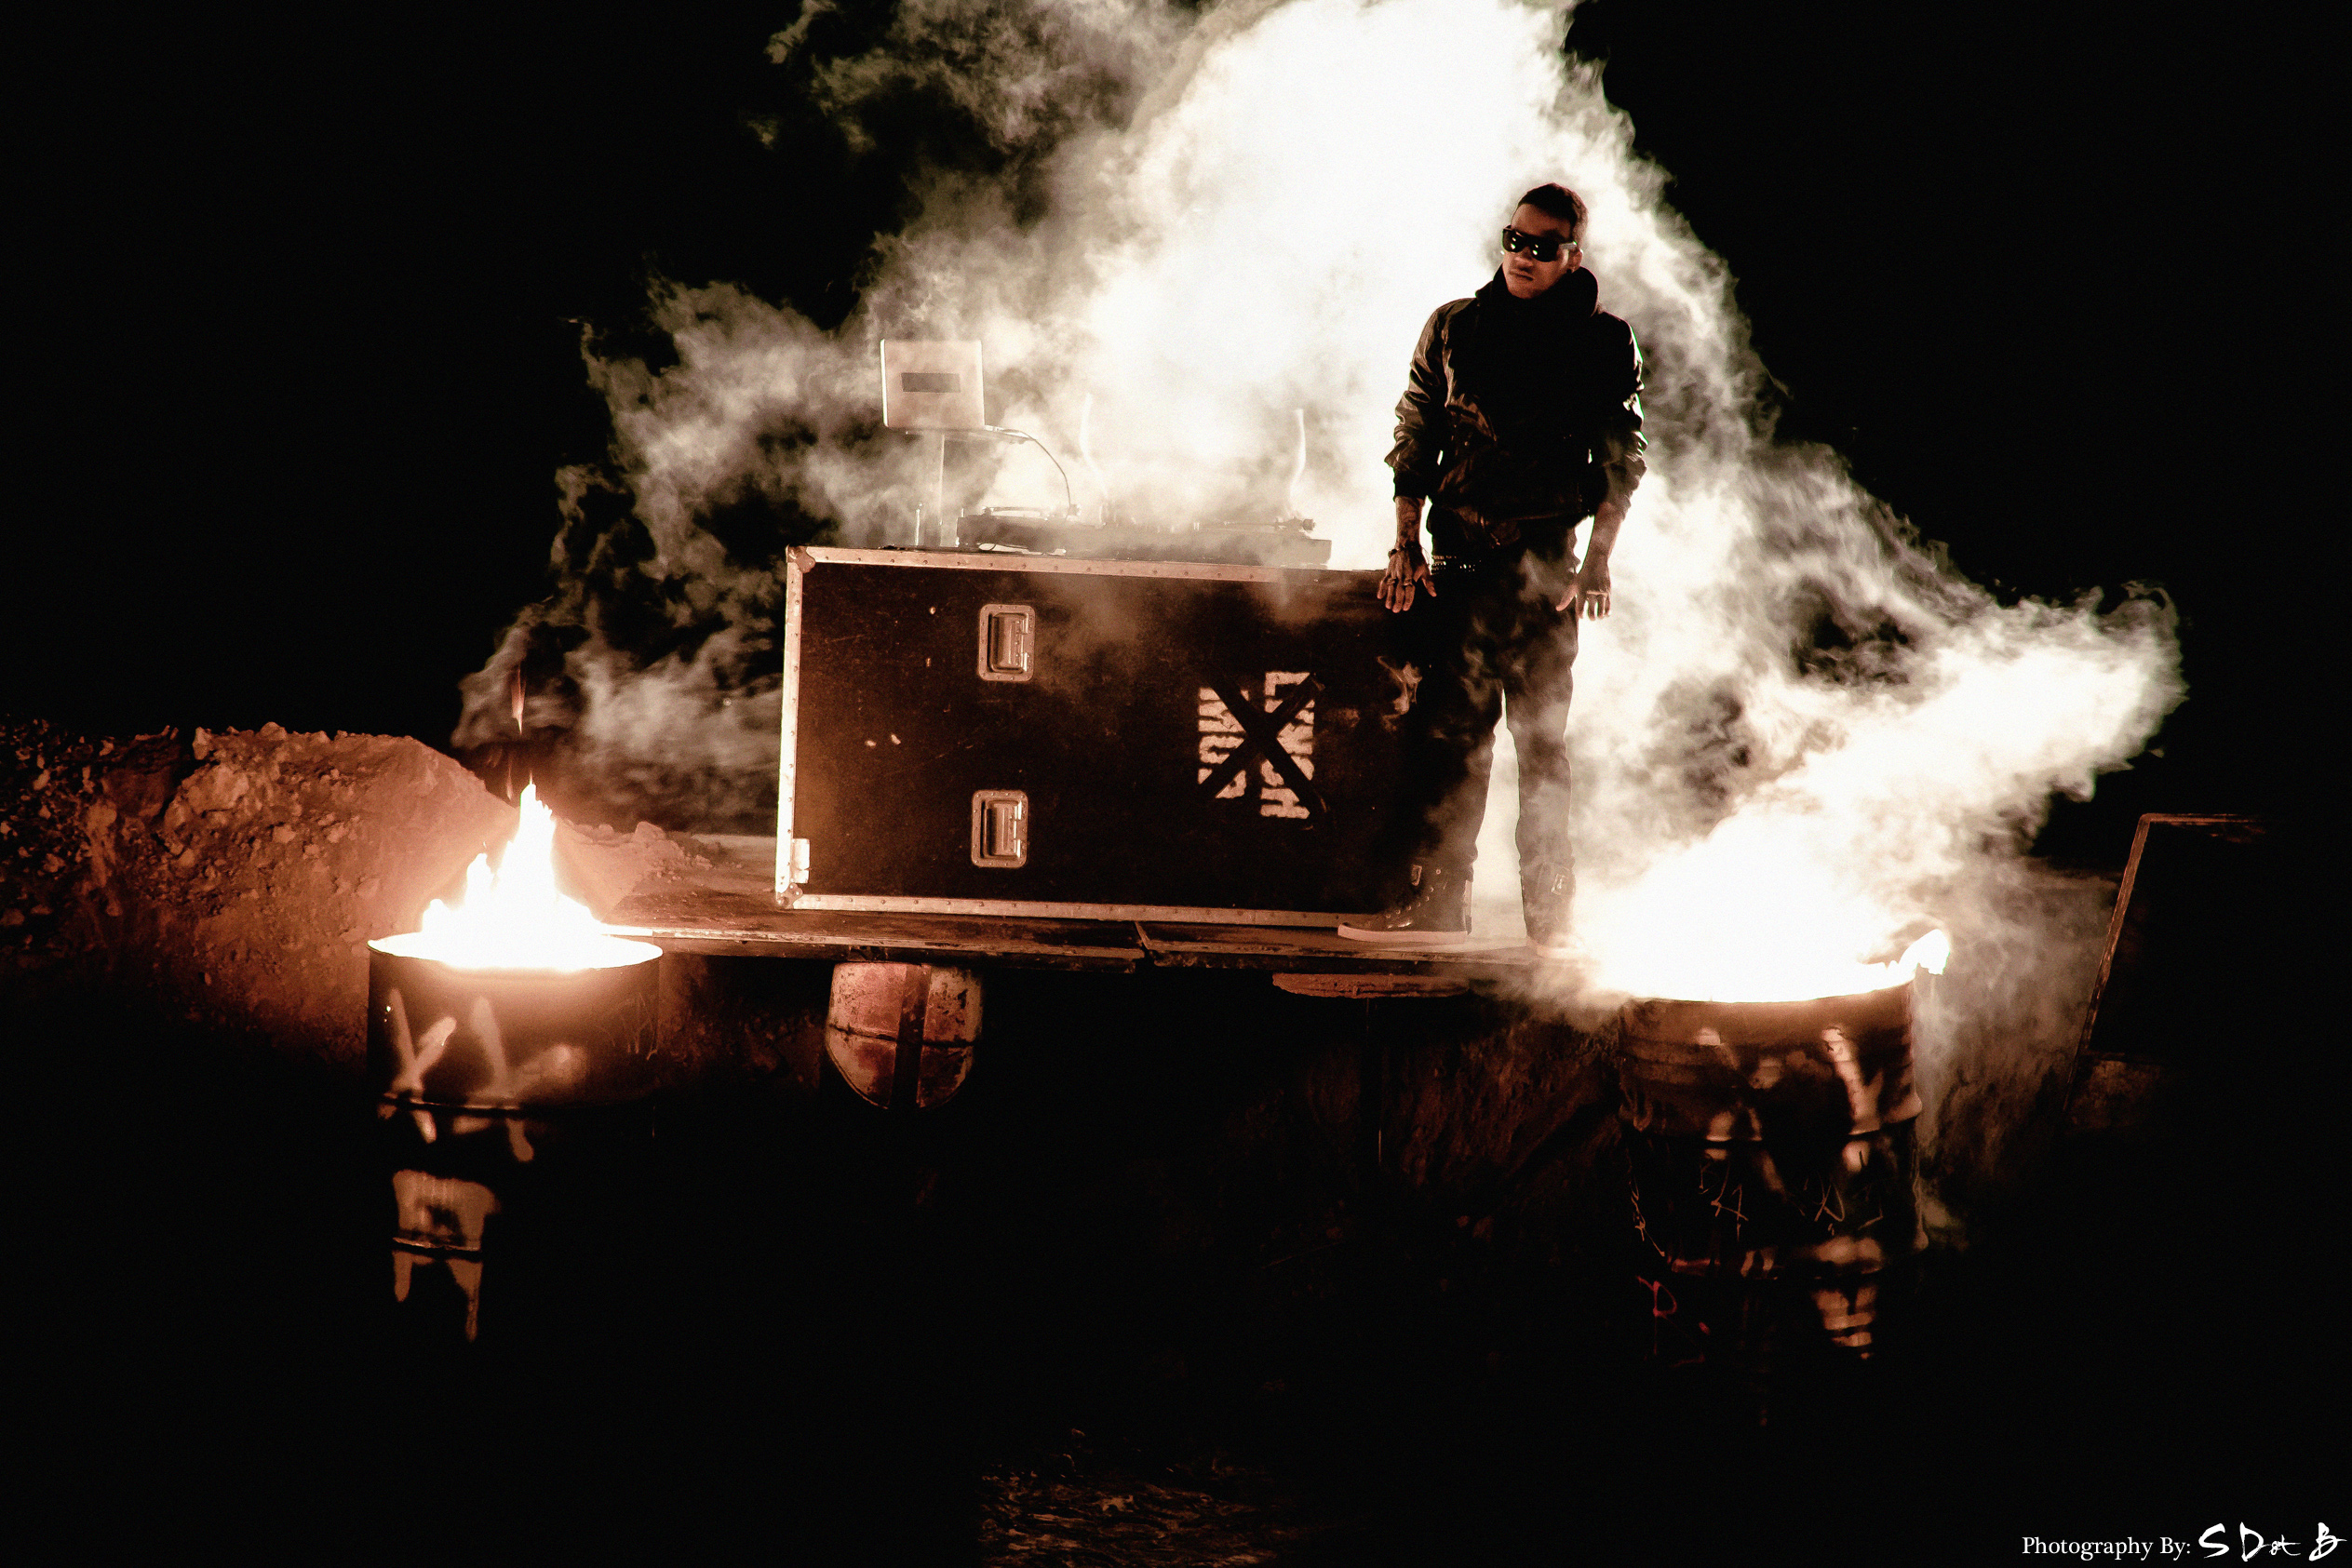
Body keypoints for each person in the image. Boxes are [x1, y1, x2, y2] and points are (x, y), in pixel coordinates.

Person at [1339, 182, 1645, 950]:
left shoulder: (1602, 341)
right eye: (1514, 239)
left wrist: (1599, 560)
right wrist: (1404, 542)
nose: (1522, 256)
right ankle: (1439, 904)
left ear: (1573, 254)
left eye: (1542, 246)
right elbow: (1415, 434)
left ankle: (1552, 920)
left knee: (1541, 752)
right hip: (1461, 565)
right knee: (1451, 743)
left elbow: (1620, 458)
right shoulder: (1455, 326)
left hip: (1543, 575)